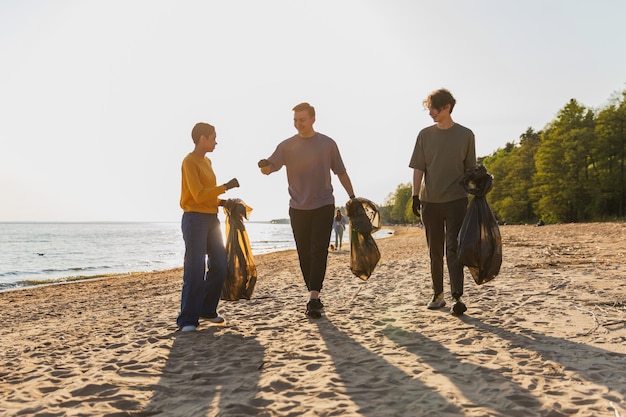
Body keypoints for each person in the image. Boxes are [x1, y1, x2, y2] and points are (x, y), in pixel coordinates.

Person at [258, 102, 356, 318]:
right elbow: (270, 167)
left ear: (313, 119)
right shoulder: (286, 146)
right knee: (304, 252)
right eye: (295, 120)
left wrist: (352, 197)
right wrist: (264, 167)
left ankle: (314, 297)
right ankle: (313, 291)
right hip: (297, 207)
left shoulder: (328, 144)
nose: (298, 124)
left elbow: (341, 172)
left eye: (302, 119)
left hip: (323, 204)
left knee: (318, 249)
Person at [409, 89, 476, 316]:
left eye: (433, 108)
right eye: (429, 109)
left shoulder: (466, 135)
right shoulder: (424, 135)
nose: (430, 113)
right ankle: (438, 295)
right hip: (430, 202)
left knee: (453, 248)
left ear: (447, 107)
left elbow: (470, 170)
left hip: (457, 200)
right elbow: (419, 167)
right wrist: (415, 195)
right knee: (435, 251)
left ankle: (457, 297)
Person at [177, 122, 240, 332]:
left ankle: (206, 309)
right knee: (195, 269)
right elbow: (197, 195)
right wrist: (225, 186)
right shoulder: (189, 161)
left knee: (220, 266)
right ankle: (187, 319)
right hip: (194, 219)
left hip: (212, 219)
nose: (216, 141)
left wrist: (225, 202)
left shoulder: (208, 161)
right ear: (202, 138)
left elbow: (208, 195)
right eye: (213, 137)